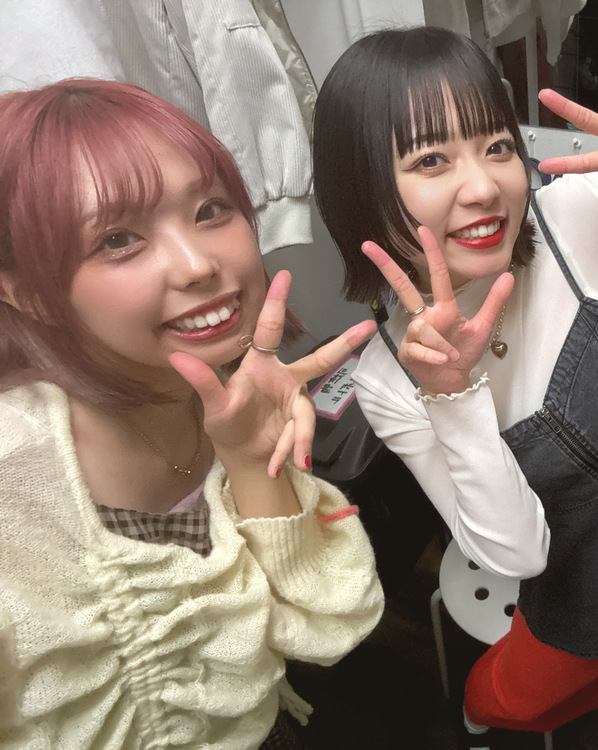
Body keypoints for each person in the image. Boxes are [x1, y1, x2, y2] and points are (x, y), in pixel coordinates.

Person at [312, 26, 598, 739]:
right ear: (360, 188)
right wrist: (451, 395)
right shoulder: (389, 379)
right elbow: (518, 554)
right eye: (432, 159)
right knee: (502, 702)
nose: (486, 186)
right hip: (589, 602)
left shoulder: (584, 216)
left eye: (497, 146)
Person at [0, 79, 384, 748]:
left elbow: (323, 630)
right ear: (26, 291)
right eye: (117, 239)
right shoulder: (16, 475)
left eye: (210, 209)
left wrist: (253, 465)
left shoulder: (228, 392)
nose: (198, 264)